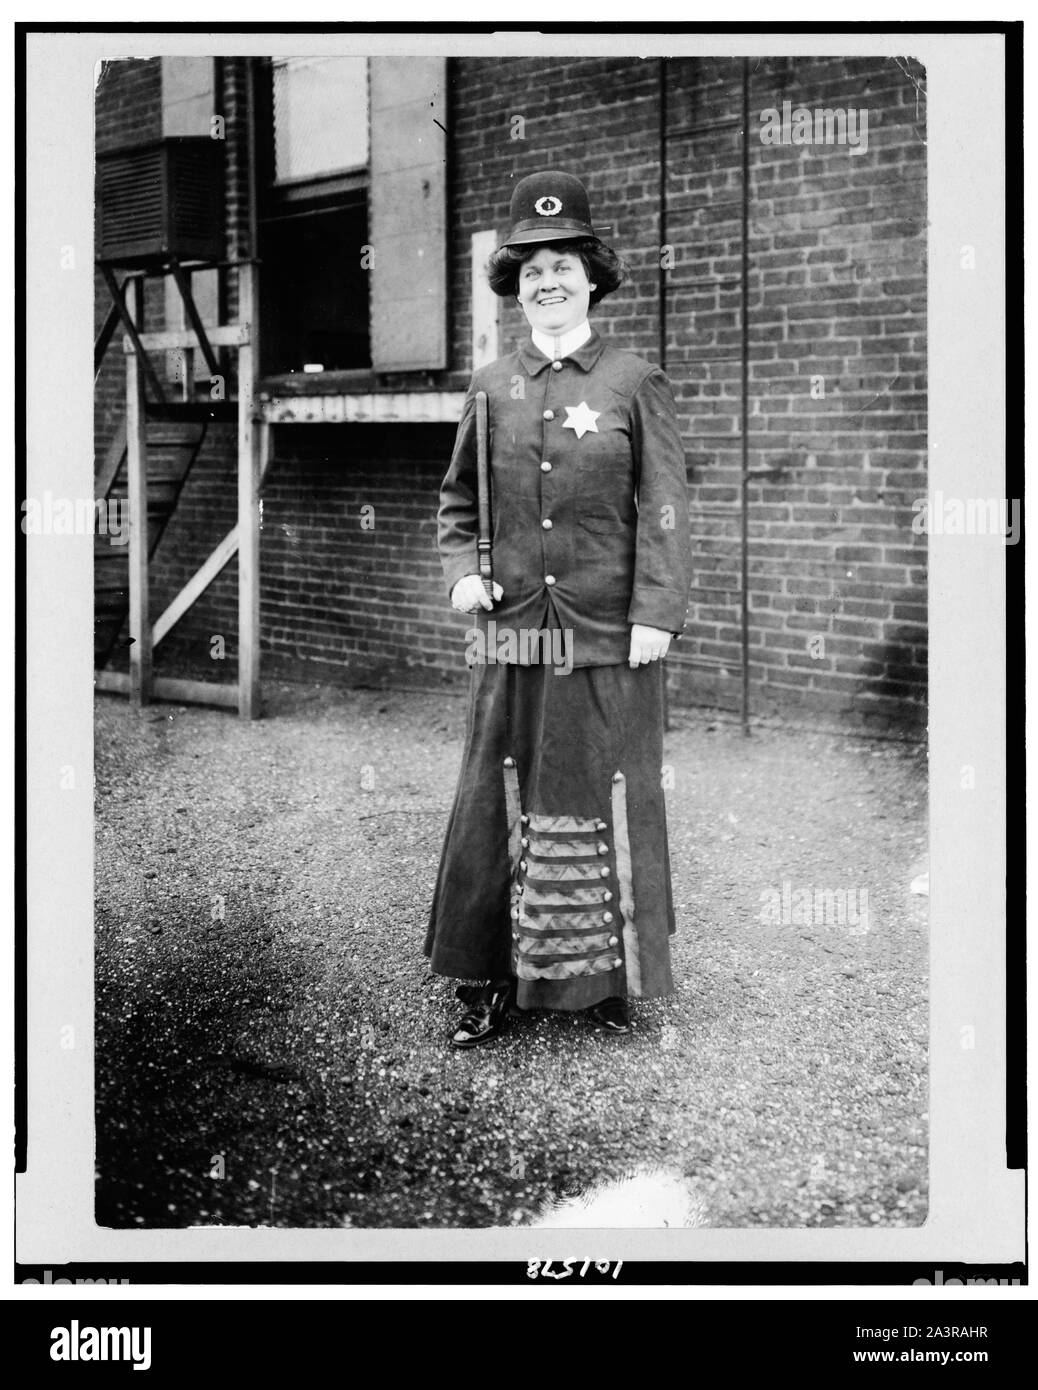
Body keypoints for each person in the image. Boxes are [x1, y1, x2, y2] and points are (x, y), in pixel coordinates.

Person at [425, 170, 692, 1049]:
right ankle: (486, 980)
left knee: (599, 791)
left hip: (610, 636)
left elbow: (665, 508)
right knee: (496, 796)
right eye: (531, 267)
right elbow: (457, 503)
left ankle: (600, 981)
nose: (548, 280)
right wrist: (464, 570)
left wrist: (657, 610)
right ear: (514, 285)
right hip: (512, 639)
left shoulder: (631, 381)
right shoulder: (490, 386)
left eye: (565, 264)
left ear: (593, 276)